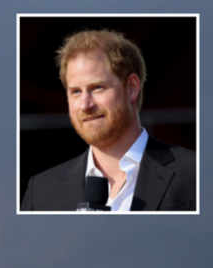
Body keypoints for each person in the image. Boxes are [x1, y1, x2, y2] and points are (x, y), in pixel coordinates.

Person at [22, 29, 195, 212]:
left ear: (131, 88)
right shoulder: (41, 191)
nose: (85, 105)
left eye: (97, 87)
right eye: (76, 92)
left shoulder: (196, 175)